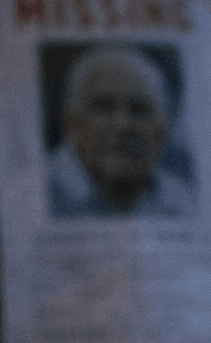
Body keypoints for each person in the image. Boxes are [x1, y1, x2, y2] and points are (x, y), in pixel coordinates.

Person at [48, 44, 196, 218]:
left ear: (162, 128)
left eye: (139, 109)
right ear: (71, 122)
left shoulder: (186, 202)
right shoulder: (37, 193)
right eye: (104, 107)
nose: (123, 125)